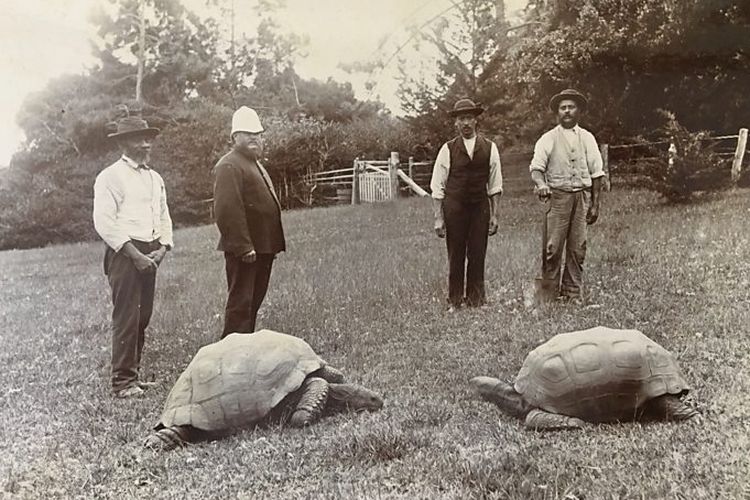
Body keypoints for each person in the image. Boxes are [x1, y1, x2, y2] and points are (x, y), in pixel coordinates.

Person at [93, 115, 173, 398]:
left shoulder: (154, 177)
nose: (147, 142)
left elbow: (163, 215)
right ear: (124, 143)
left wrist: (163, 248)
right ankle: (123, 382)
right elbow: (104, 222)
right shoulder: (110, 177)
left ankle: (133, 375)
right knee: (126, 316)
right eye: (140, 137)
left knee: (143, 316)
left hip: (151, 251)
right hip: (124, 254)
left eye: (149, 137)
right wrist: (134, 254)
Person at [213, 106, 285, 338]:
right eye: (247, 133)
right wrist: (244, 246)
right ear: (235, 137)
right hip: (246, 250)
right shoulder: (229, 164)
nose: (254, 137)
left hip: (263, 247)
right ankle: (230, 356)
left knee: (252, 304)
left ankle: (245, 352)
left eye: (258, 133)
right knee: (240, 306)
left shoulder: (253, 163)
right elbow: (227, 210)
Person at [529, 88, 604, 302]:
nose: (567, 111)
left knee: (578, 247)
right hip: (558, 198)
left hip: (581, 197)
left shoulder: (588, 138)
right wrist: (542, 184)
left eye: (571, 107)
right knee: (552, 248)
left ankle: (572, 294)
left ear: (579, 111)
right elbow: (536, 168)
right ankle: (548, 295)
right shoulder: (548, 139)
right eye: (563, 108)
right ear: (557, 113)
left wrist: (595, 204)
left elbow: (597, 172)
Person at [430, 98, 503, 311]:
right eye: (461, 119)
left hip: (479, 207)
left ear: (476, 120)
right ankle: (454, 300)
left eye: (469, 118)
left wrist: (495, 214)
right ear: (456, 123)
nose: (466, 123)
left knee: (478, 252)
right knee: (456, 253)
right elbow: (438, 184)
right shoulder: (448, 149)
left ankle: (476, 300)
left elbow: (495, 184)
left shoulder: (490, 148)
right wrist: (438, 217)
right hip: (455, 207)